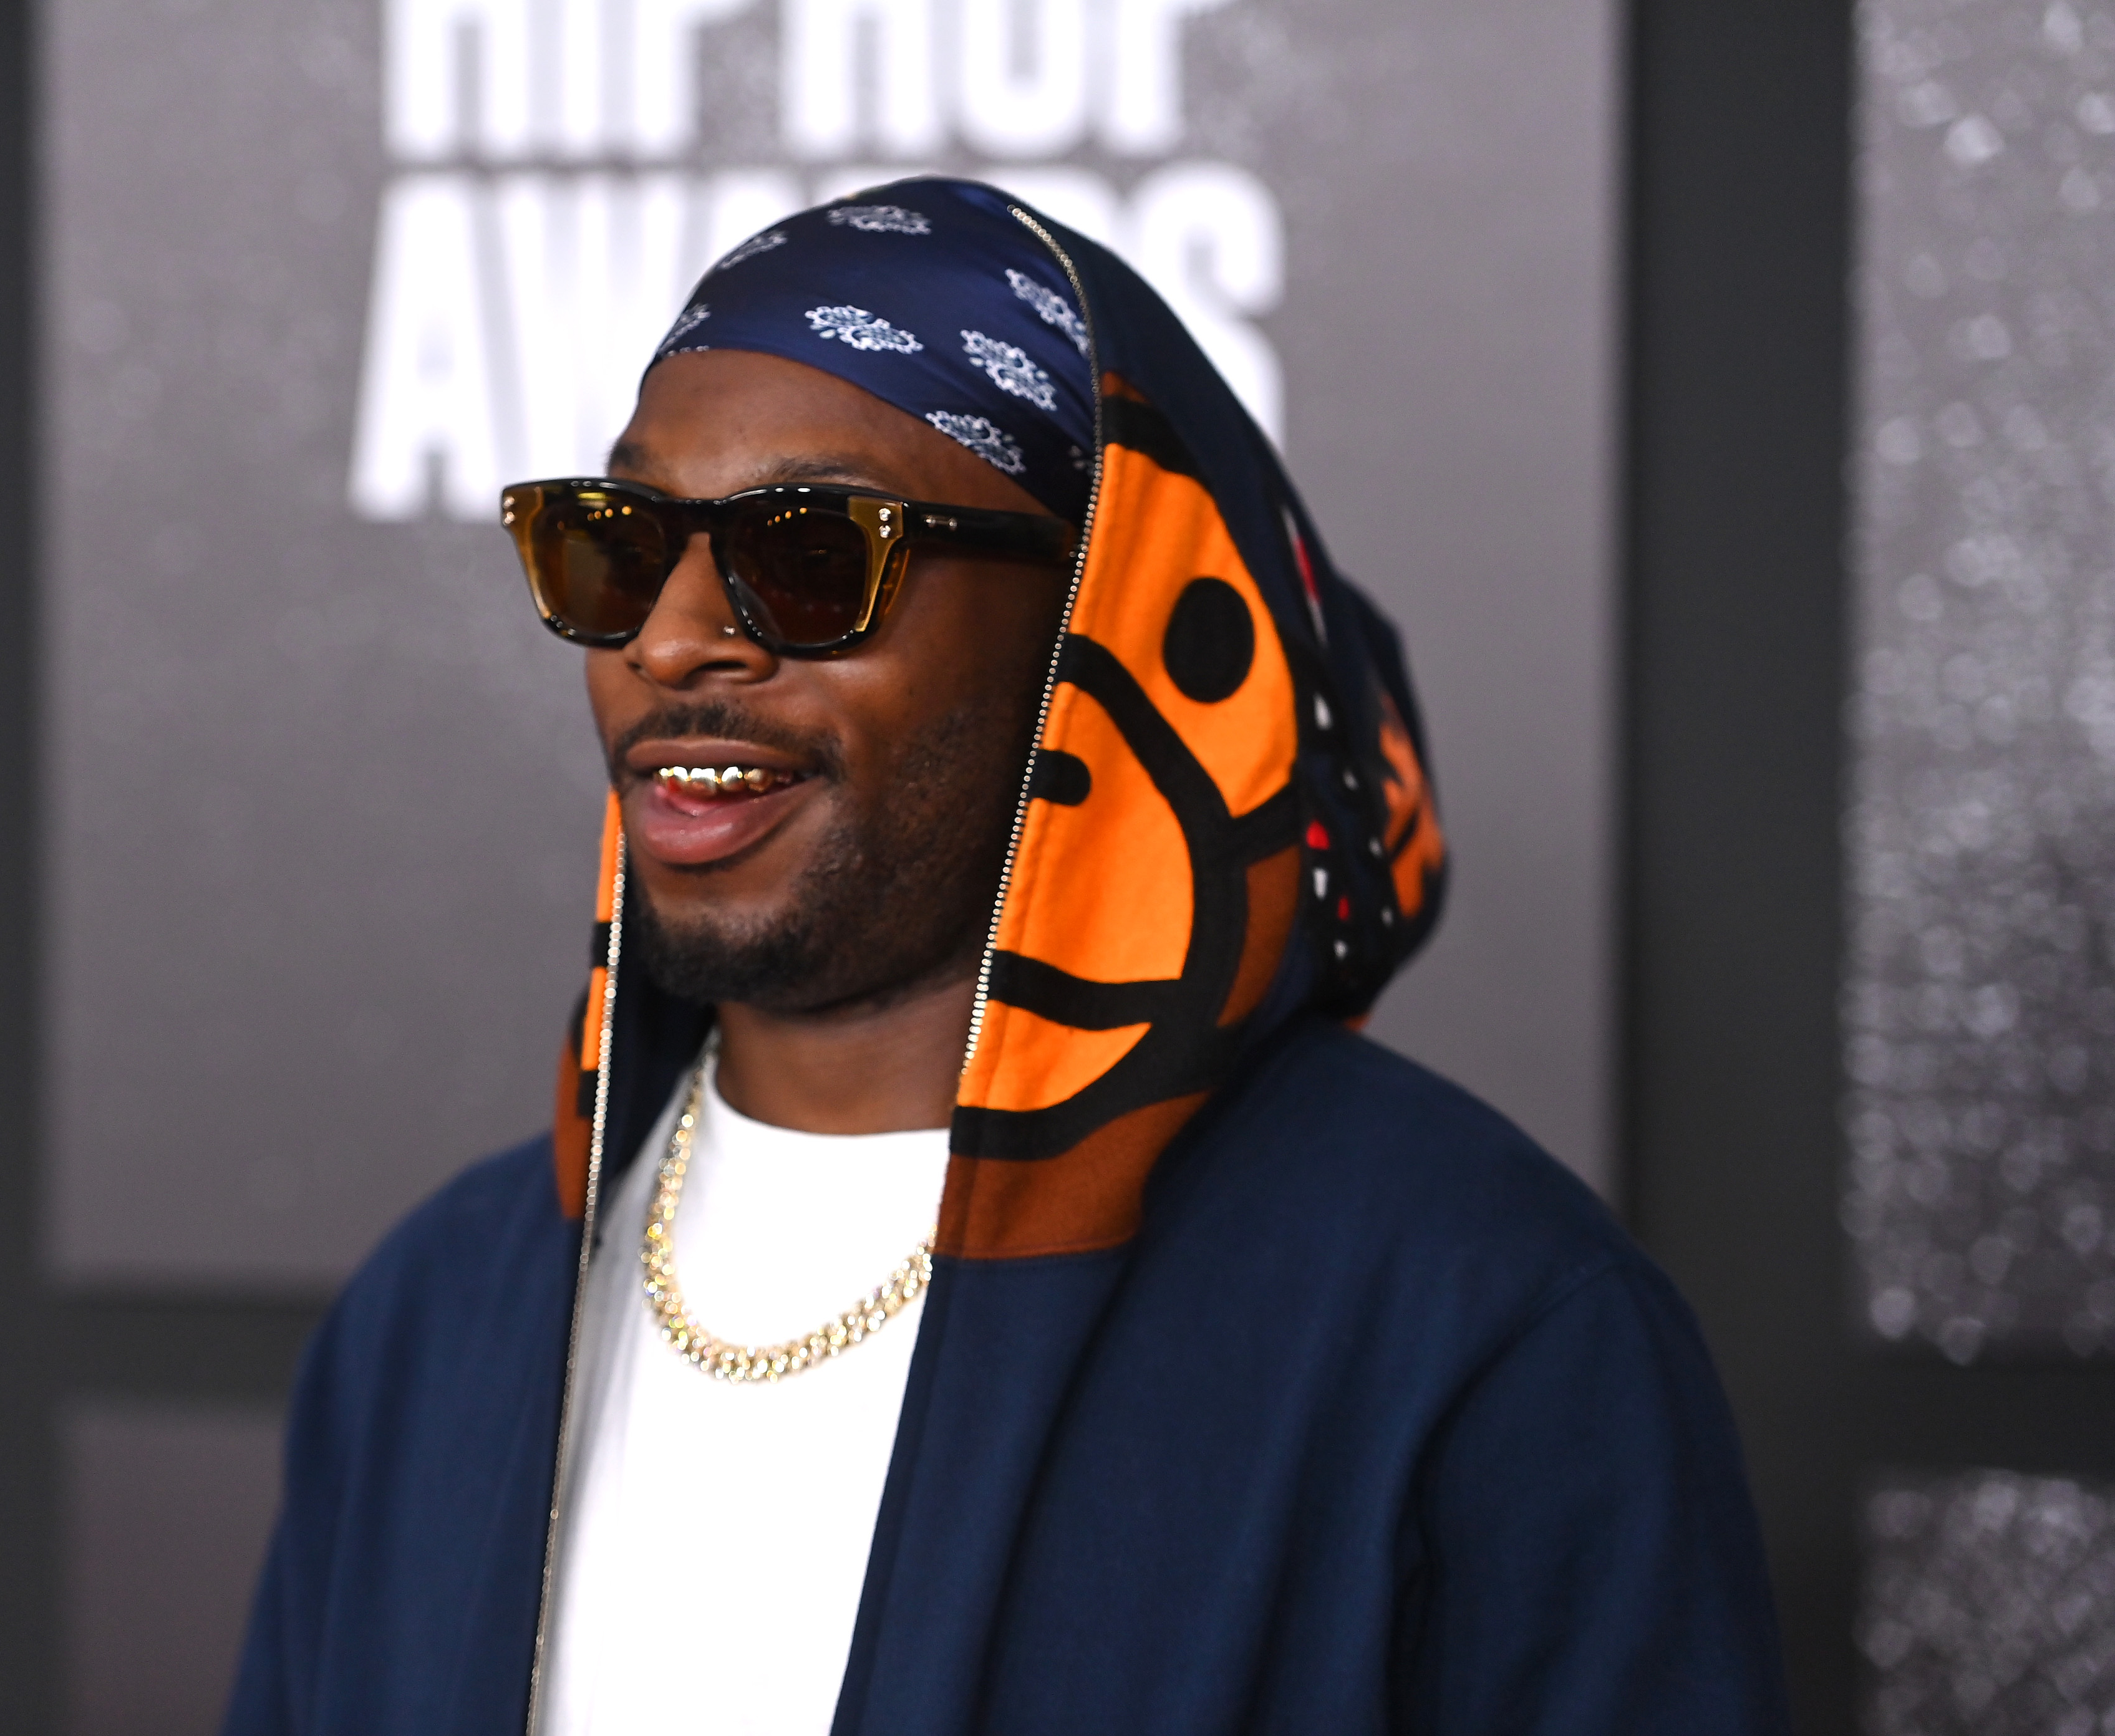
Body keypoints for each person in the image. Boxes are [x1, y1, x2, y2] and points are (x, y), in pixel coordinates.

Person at [222, 177, 1788, 1735]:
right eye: (618, 544)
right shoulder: (437, 1316)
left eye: (812, 551)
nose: (671, 638)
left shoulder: (1477, 1318)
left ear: (1094, 616)